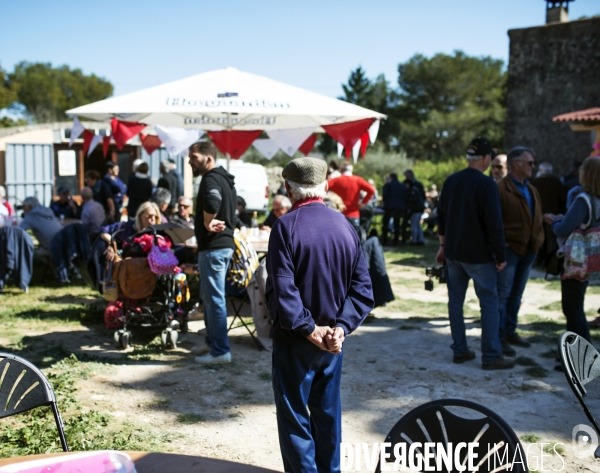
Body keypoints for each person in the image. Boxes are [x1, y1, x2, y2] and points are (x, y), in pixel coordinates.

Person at [266, 157, 373, 473]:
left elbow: (284, 291)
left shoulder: (284, 227)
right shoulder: (346, 226)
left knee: (295, 419)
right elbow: (364, 291)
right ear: (325, 187)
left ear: (288, 188)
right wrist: (340, 328)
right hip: (332, 342)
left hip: (297, 339)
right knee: (328, 415)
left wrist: (311, 329)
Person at [437, 138, 513, 370]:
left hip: (454, 253)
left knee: (455, 303)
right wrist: (501, 256)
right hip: (479, 256)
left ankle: (460, 350)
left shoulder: (452, 180)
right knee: (489, 303)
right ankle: (490, 356)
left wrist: (442, 246)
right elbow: (494, 224)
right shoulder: (486, 184)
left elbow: (441, 217)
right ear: (486, 159)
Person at [188, 141, 237, 365]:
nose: (190, 161)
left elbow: (212, 200)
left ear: (208, 158)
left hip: (214, 247)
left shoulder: (211, 179)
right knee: (208, 298)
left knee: (214, 299)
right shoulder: (224, 178)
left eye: (194, 157)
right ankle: (211, 342)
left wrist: (207, 222)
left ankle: (220, 351)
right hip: (219, 247)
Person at [545, 156, 600, 344]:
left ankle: (581, 360)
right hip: (591, 259)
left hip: (577, 261)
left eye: (583, 168)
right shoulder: (597, 200)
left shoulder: (583, 200)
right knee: (576, 306)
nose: (580, 171)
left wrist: (555, 220)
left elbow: (562, 229)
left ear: (590, 174)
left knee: (573, 309)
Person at [496, 146, 544, 354]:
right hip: (510, 250)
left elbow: (534, 217)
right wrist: (500, 243)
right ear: (516, 164)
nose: (534, 166)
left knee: (517, 294)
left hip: (528, 249)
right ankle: (498, 337)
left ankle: (510, 331)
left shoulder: (531, 189)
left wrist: (539, 236)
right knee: (503, 294)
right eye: (530, 163)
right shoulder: (499, 188)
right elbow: (492, 220)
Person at [531, 162, 567, 267]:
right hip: (553, 217)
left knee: (537, 239)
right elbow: (563, 199)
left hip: (537, 216)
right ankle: (550, 262)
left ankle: (536, 260)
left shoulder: (534, 183)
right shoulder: (557, 182)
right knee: (551, 240)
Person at [327, 162, 374, 235]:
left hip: (338, 214)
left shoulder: (336, 180)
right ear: (351, 170)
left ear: (341, 170)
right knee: (354, 240)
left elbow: (323, 188)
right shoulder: (358, 180)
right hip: (354, 214)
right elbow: (371, 190)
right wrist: (363, 203)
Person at [19, 196, 62, 262]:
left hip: (52, 247)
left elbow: (19, 231)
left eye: (23, 206)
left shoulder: (31, 216)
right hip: (64, 242)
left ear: (29, 206)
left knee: (31, 251)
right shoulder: (48, 210)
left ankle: (54, 266)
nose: (23, 209)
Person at [381, 173, 406, 246]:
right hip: (399, 208)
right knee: (397, 225)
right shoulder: (402, 186)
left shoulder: (388, 185)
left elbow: (384, 195)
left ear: (391, 178)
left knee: (385, 224)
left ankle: (385, 240)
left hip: (389, 207)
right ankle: (396, 241)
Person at [403, 169, 426, 245]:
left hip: (417, 208)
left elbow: (418, 198)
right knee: (417, 225)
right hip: (418, 208)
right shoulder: (414, 186)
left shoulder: (416, 186)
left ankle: (415, 240)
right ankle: (420, 239)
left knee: (414, 225)